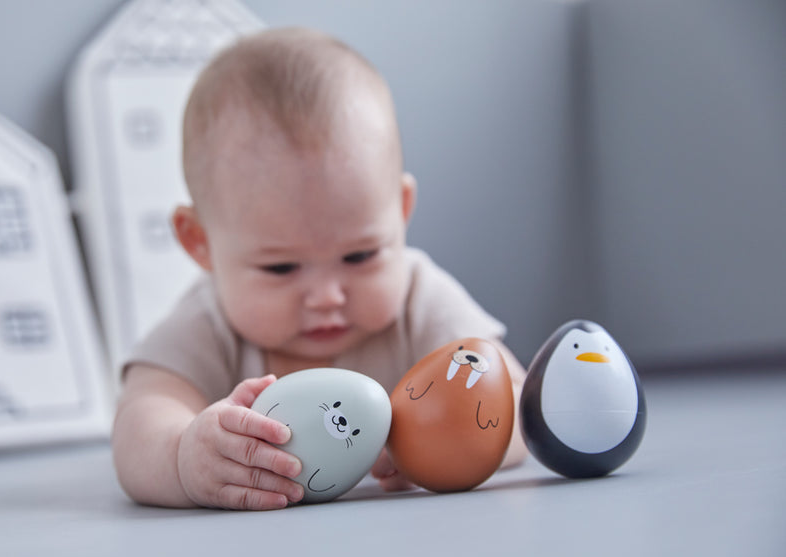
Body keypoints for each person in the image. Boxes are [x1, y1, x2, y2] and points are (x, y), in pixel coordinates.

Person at [112, 27, 528, 510]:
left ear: (400, 209)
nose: (327, 295)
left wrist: (448, 442)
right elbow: (138, 422)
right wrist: (183, 456)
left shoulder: (419, 297)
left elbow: (518, 404)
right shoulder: (206, 323)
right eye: (281, 267)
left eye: (359, 256)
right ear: (200, 242)